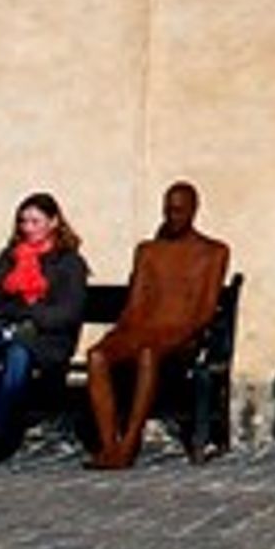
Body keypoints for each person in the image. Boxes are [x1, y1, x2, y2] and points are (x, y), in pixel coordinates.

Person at [83, 181, 232, 470]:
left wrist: (178, 336)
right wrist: (119, 334)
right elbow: (135, 304)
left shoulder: (213, 252)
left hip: (180, 336)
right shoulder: (148, 251)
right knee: (97, 355)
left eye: (178, 211)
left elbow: (204, 311)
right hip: (143, 329)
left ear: (193, 211)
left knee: (149, 354)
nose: (172, 217)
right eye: (168, 210)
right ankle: (109, 445)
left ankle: (129, 444)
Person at [0, 191, 89, 464]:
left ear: (53, 222)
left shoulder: (69, 262)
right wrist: (7, 314)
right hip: (3, 328)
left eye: (35, 221)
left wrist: (29, 314)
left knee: (19, 353)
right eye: (23, 222)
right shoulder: (10, 257)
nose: (28, 228)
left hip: (46, 337)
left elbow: (68, 313)